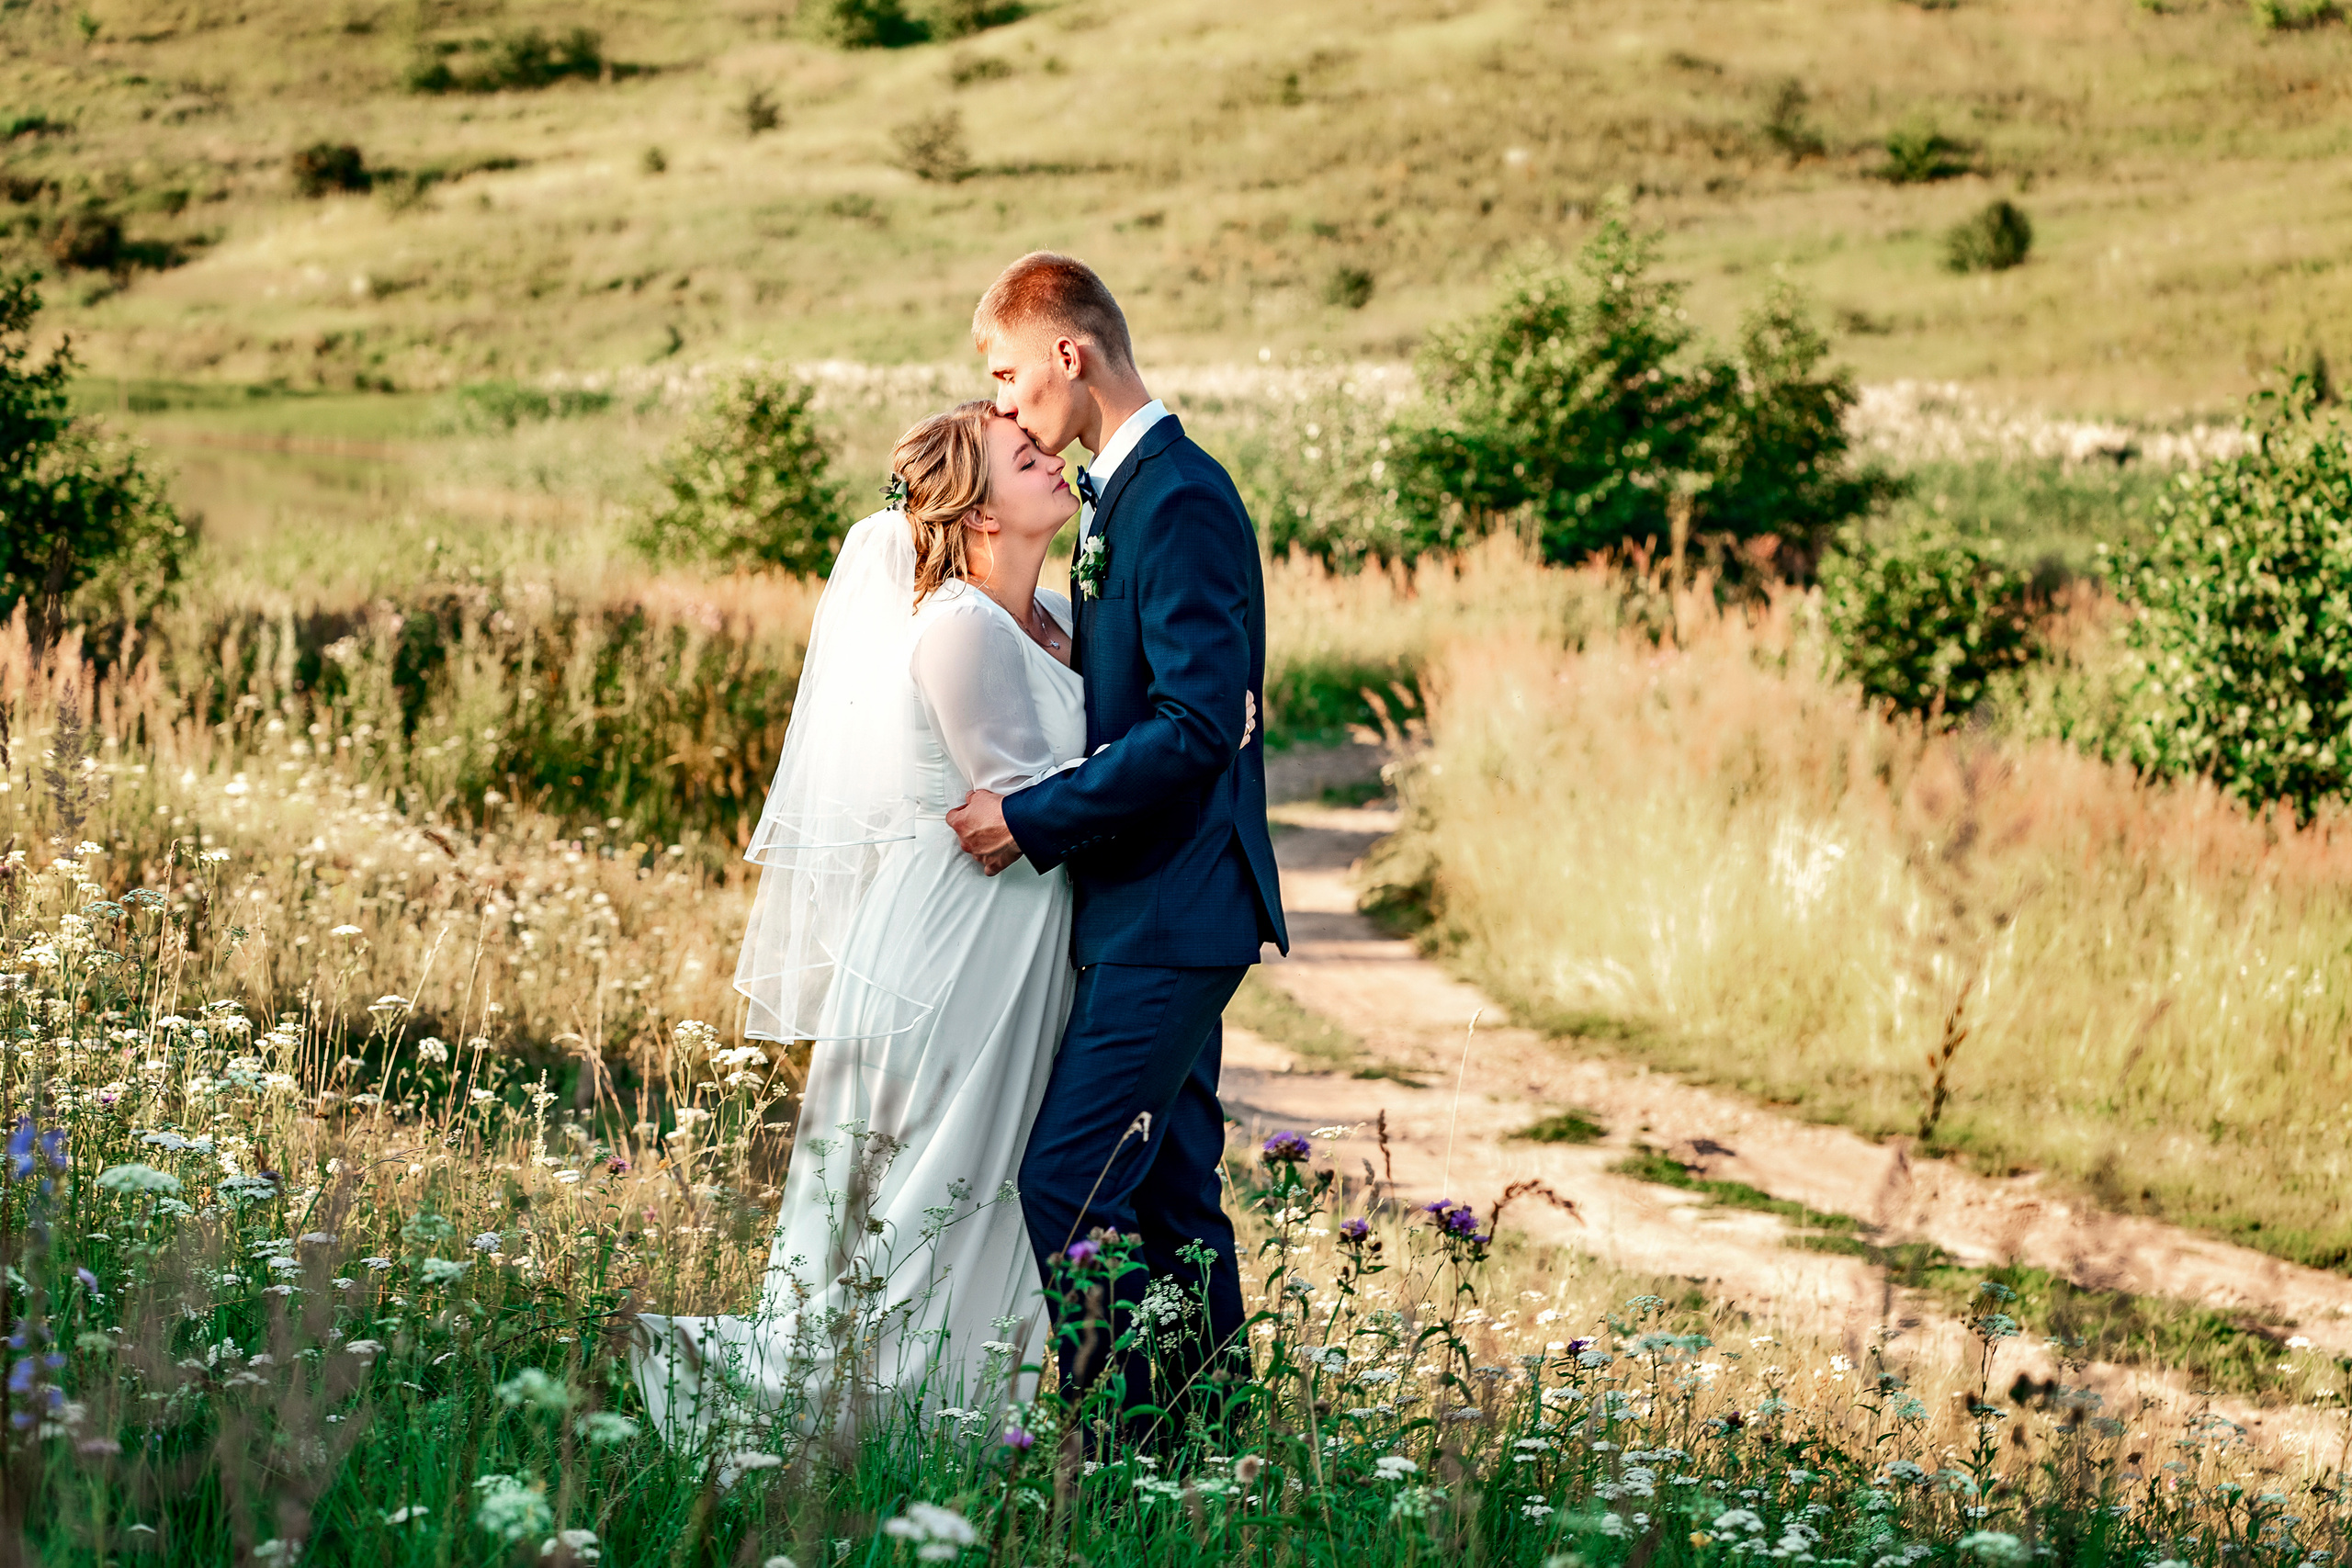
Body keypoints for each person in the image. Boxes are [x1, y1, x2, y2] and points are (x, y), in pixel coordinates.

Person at [631, 401, 1087, 1453]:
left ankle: (947, 1421)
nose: (1052, 461)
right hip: (964, 934)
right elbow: (1020, 808)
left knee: (988, 1178)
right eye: (1026, 458)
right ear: (975, 511)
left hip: (1022, 936)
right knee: (939, 1176)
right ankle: (833, 1412)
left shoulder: (1049, 611)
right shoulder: (959, 625)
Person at [947, 252, 1289, 1438]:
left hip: (1174, 905)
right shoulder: (1124, 494)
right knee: (1174, 1196)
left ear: (1068, 354)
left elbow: (1196, 724)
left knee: (1069, 1181)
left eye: (1007, 374)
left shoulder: (1178, 496)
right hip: (1154, 904)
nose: (1002, 405)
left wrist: (1030, 816)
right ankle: (1209, 1449)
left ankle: (1121, 1451)